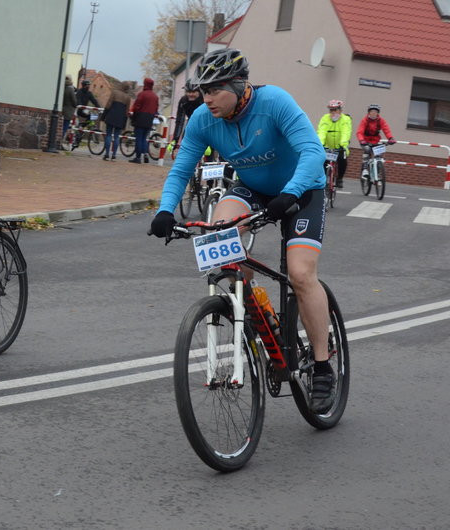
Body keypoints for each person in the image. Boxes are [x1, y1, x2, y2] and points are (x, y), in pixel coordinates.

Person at [149, 48, 335, 413]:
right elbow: (181, 169)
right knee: (221, 239)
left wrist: (291, 193)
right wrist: (164, 211)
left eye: (215, 90)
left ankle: (323, 364)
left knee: (299, 274)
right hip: (252, 189)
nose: (207, 99)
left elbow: (312, 150)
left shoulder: (274, 102)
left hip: (302, 189)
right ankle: (252, 313)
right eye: (203, 90)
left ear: (239, 85)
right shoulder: (204, 118)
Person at [316, 99, 352, 187]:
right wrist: (320, 144)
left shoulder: (345, 119)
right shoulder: (325, 118)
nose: (333, 112)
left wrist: (343, 144)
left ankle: (340, 178)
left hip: (340, 146)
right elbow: (322, 132)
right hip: (327, 146)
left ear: (340, 110)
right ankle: (323, 179)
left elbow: (346, 132)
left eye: (335, 110)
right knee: (323, 161)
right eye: (331, 110)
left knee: (342, 159)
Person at [356, 104, 395, 179]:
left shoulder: (381, 120)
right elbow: (359, 132)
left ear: (378, 113)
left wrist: (390, 138)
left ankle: (378, 173)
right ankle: (365, 170)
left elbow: (386, 129)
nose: (373, 113)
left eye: (375, 112)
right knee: (367, 150)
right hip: (365, 140)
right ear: (369, 113)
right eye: (372, 111)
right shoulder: (365, 120)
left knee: (379, 155)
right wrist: (361, 140)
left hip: (376, 141)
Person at [170, 78, 204, 159]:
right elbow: (180, 121)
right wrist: (175, 139)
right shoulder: (183, 100)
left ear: (199, 91)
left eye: (193, 92)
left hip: (205, 125)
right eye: (188, 92)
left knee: (208, 154)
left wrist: (210, 142)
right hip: (191, 124)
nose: (191, 94)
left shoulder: (204, 99)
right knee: (185, 147)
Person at [129, 77, 159, 164]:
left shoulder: (142, 94)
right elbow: (156, 108)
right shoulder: (155, 97)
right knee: (144, 138)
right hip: (150, 119)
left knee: (139, 138)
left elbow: (137, 106)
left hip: (140, 117)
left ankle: (138, 157)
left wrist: (134, 117)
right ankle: (145, 154)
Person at [99, 81, 131, 161]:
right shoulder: (128, 98)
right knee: (116, 137)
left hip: (111, 116)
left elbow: (108, 104)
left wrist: (103, 116)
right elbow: (127, 111)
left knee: (109, 135)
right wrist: (124, 122)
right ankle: (114, 155)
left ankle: (106, 154)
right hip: (120, 119)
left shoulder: (114, 93)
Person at [72, 79, 100, 149]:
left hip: (84, 109)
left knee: (92, 116)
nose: (88, 86)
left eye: (89, 85)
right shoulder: (79, 92)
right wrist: (82, 107)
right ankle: (79, 132)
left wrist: (99, 108)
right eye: (87, 85)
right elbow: (78, 101)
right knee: (78, 123)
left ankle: (82, 127)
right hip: (78, 110)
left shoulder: (89, 93)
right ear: (84, 85)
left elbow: (94, 100)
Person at [60, 75, 77, 150]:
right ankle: (59, 143)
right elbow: (74, 101)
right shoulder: (70, 89)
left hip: (62, 109)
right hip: (68, 111)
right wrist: (76, 104)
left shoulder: (63, 87)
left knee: (62, 127)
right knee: (64, 128)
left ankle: (59, 142)